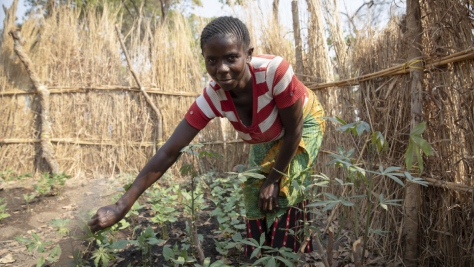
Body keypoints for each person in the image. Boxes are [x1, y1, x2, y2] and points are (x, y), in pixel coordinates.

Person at [88, 16, 325, 255]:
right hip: (266, 136)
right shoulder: (213, 97)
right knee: (254, 193)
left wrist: (274, 179)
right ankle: (261, 256)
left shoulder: (275, 72)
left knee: (284, 191)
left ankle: (287, 253)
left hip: (304, 125)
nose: (221, 69)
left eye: (231, 58)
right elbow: (170, 151)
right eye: (212, 60)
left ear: (248, 54)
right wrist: (121, 206)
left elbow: (294, 131)